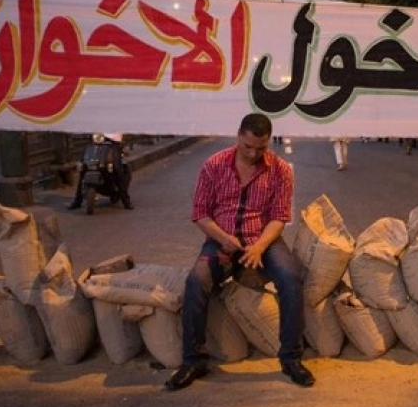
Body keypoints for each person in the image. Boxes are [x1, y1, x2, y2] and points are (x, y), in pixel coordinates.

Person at [166, 113, 313, 391]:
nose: (254, 153)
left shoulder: (280, 169)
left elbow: (279, 217)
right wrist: (224, 239)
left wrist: (258, 247)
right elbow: (200, 214)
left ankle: (291, 358)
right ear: (238, 136)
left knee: (291, 278)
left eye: (261, 148)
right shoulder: (214, 165)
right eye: (248, 147)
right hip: (221, 239)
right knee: (196, 281)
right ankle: (193, 359)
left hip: (263, 240)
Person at [68, 133, 133, 210]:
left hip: (112, 143)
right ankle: (77, 201)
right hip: (95, 141)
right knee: (84, 168)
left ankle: (126, 201)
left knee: (117, 169)